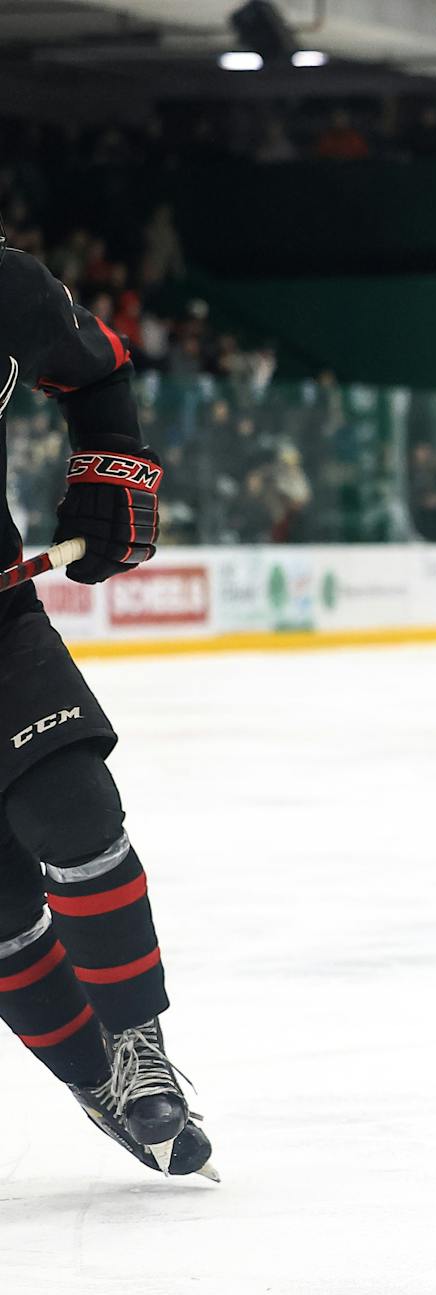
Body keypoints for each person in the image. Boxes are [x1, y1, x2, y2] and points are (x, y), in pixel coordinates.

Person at [0, 239, 215, 1179]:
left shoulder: (6, 287)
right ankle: (95, 1078)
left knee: (76, 809)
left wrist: (107, 476)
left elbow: (100, 367)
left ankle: (138, 1050)